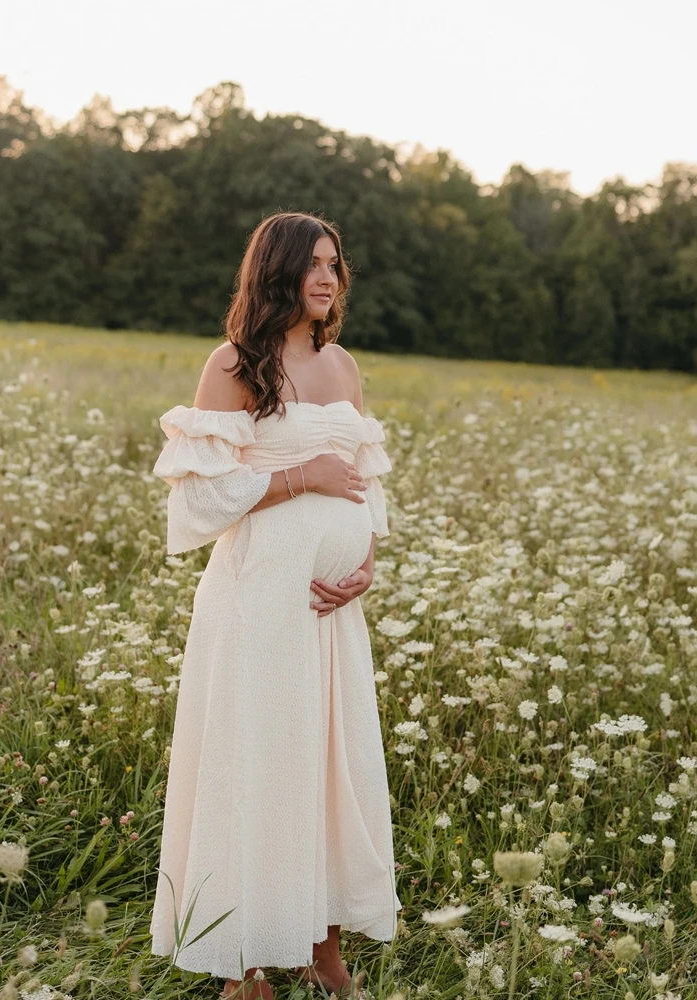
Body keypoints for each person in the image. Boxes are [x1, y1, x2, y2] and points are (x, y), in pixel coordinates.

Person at [148, 212, 401, 999]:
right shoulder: (234, 364)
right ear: (276, 272)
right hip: (258, 603)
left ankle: (323, 953)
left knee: (327, 770)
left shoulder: (343, 366)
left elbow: (364, 484)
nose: (327, 277)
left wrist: (363, 564)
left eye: (334, 263)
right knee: (256, 764)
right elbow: (201, 499)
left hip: (330, 615)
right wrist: (301, 477)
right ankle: (244, 963)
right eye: (311, 264)